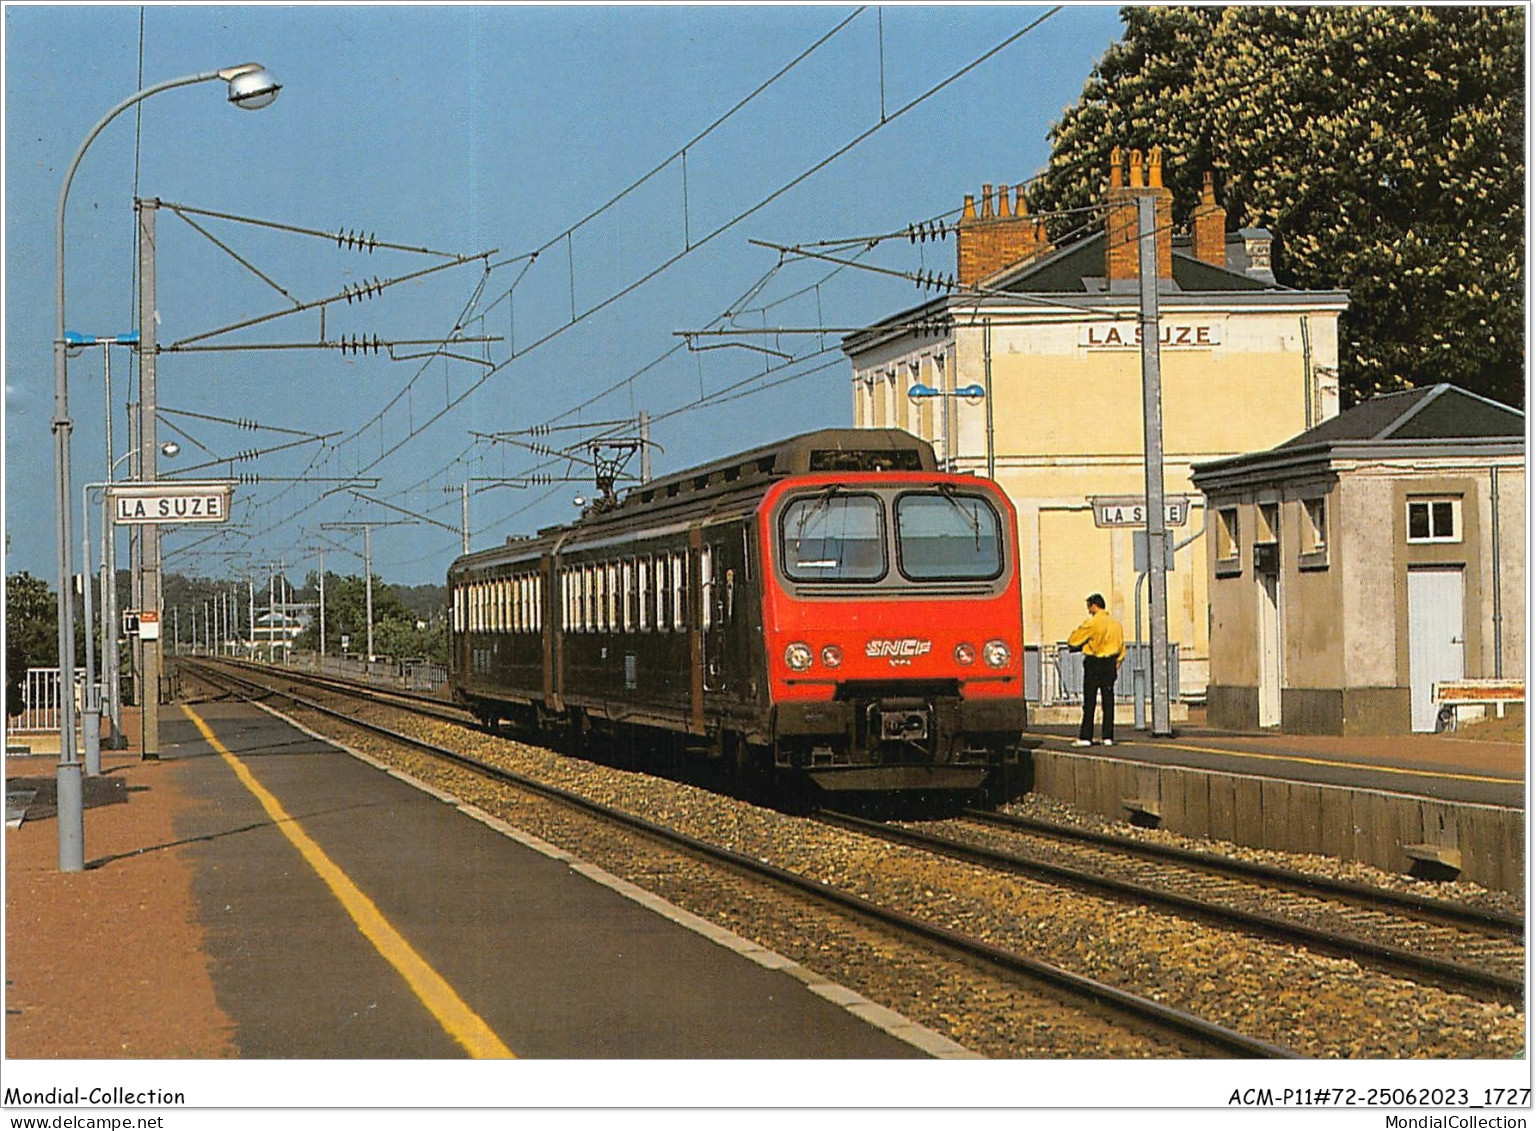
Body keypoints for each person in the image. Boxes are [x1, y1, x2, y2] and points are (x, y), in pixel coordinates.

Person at [1067, 593, 1125, 747]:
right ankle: (1108, 737)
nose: (1088, 610)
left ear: (1094, 605)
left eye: (1089, 606)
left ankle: (1086, 737)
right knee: (1108, 701)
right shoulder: (1116, 624)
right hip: (1110, 663)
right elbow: (1121, 649)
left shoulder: (1092, 623)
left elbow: (1073, 640)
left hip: (1094, 663)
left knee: (1090, 701)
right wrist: (1116, 664)